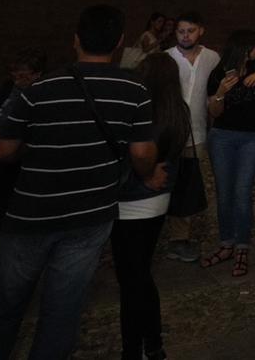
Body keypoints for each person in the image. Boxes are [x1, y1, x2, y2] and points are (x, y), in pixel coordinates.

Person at [0, 5, 163, 360]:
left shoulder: (40, 88)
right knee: (63, 310)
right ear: (120, 42)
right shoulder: (133, 89)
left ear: (76, 40)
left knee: (4, 307)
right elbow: (141, 152)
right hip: (90, 214)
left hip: (32, 211)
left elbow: (3, 149)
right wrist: (146, 171)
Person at [114, 52, 190, 360]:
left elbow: (135, 154)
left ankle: (133, 349)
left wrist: (143, 173)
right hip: (158, 201)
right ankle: (153, 343)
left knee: (131, 280)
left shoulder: (140, 108)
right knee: (140, 274)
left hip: (130, 202)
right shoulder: (177, 110)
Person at [0, 50, 46, 306]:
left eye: (23, 75)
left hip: (21, 165)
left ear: (37, 75)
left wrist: (3, 135)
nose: (18, 80)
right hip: (2, 166)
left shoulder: (40, 95)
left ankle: (3, 281)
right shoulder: (10, 89)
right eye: (14, 75)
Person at [202, 29, 255, 276]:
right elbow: (214, 113)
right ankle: (226, 243)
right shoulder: (219, 72)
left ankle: (242, 247)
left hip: (252, 137)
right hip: (222, 137)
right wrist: (220, 93)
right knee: (224, 192)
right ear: (244, 48)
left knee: (242, 192)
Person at [164, 12, 220, 262]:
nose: (185, 36)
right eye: (181, 31)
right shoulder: (167, 58)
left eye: (190, 31)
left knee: (187, 185)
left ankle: (179, 238)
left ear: (201, 31)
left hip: (196, 133)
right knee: (166, 181)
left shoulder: (212, 58)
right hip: (170, 133)